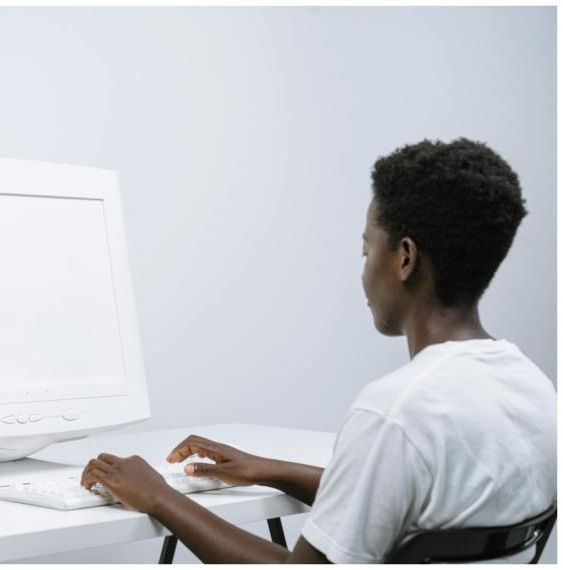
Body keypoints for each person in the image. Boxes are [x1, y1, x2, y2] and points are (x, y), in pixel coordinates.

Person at [80, 138, 557, 563]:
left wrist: (161, 498)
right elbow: (417, 508)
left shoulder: (395, 411)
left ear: (405, 259)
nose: (364, 269)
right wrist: (269, 471)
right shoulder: (534, 390)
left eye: (367, 248)